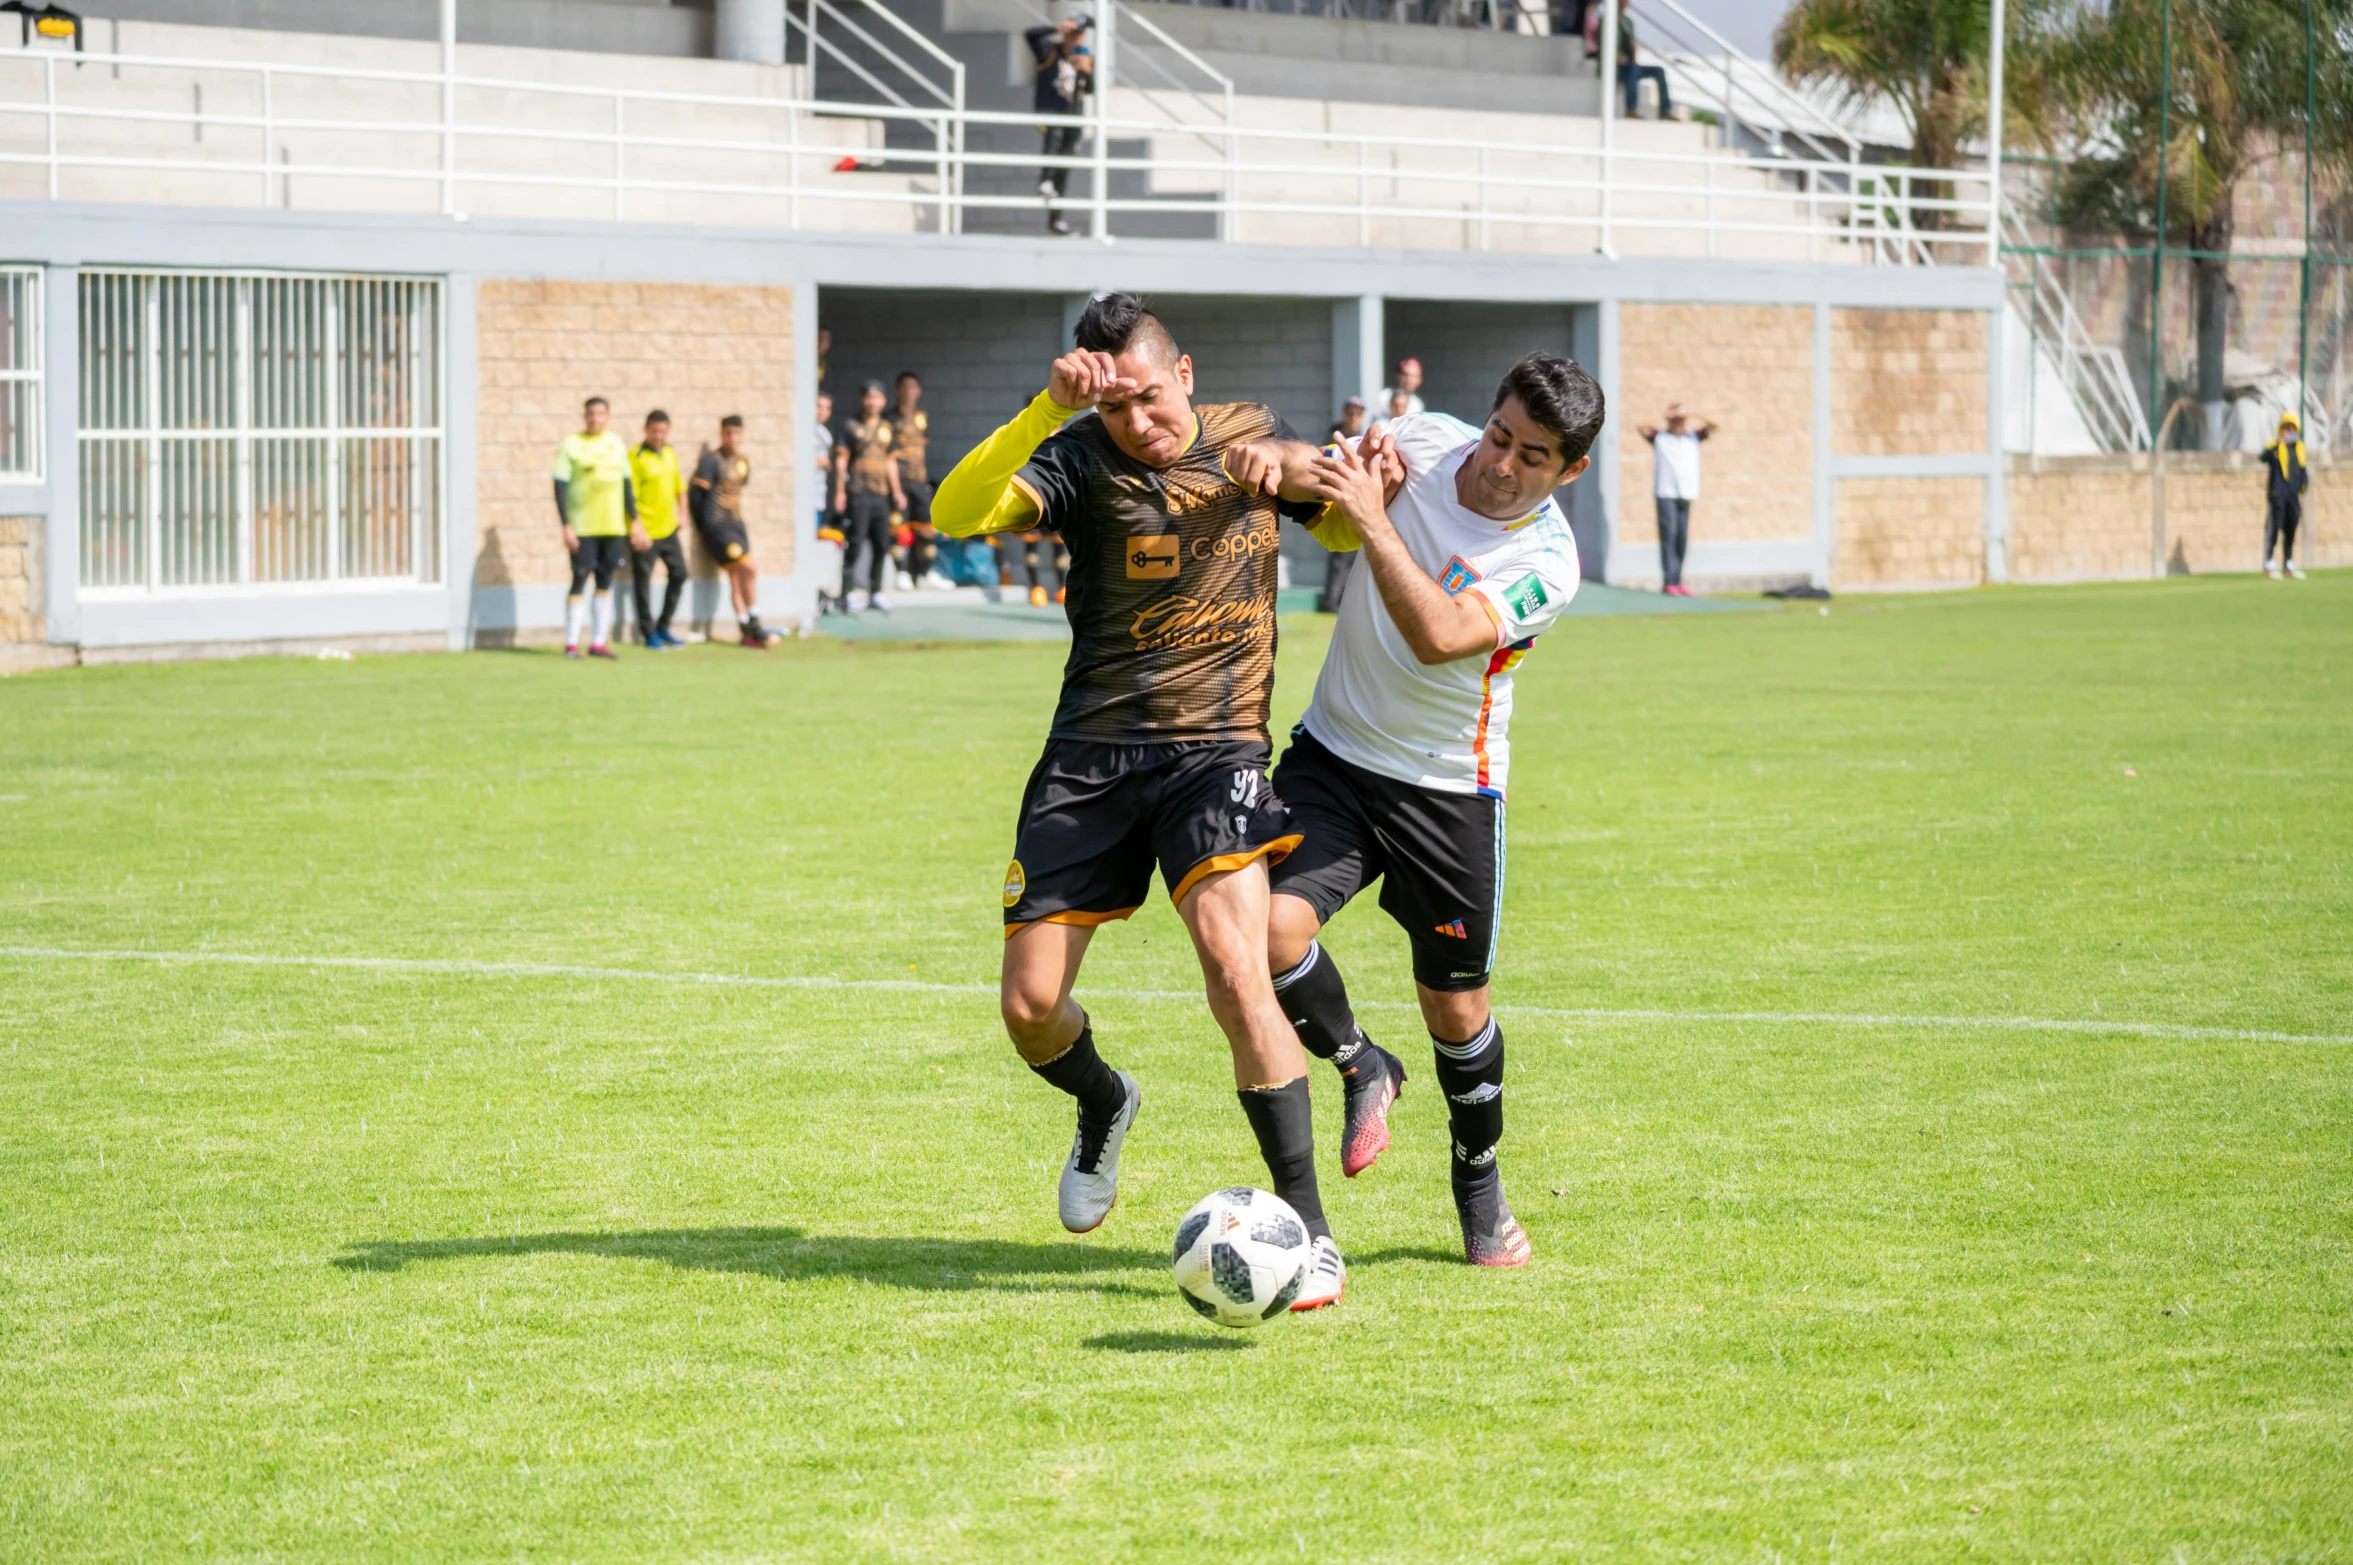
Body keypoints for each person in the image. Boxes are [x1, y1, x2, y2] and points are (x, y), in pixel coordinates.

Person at [931, 292, 1359, 1309]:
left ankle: (1311, 1234)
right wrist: (1046, 411)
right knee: (1031, 1006)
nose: (1139, 423)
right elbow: (955, 513)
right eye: (1117, 407)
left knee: (1232, 962)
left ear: (1187, 374)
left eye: (1151, 397)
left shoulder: (1253, 433)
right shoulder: (1077, 455)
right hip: (1090, 755)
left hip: (1214, 753)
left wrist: (1304, 480)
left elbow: (1345, 524)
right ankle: (1104, 1098)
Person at [1271, 352, 1603, 1269]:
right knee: (1262, 928)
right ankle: (1359, 1065)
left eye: (1532, 457)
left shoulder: (1546, 563)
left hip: (1448, 787)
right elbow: (1326, 494)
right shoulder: (1421, 440)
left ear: (1568, 471)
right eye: (1499, 435)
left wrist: (1372, 520)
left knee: (1454, 1010)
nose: (1500, 463)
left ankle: (1479, 1195)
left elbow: (1437, 638)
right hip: (1333, 756)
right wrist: (1320, 475)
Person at [552, 395, 637, 661]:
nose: (595, 418)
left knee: (605, 581)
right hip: (583, 527)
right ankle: (571, 643)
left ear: (607, 416)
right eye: (590, 413)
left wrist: (634, 521)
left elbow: (626, 485)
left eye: (600, 414)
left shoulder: (615, 444)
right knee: (579, 578)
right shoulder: (571, 445)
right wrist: (566, 524)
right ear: (584, 416)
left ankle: (598, 642)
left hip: (612, 526)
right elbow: (560, 486)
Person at [689, 415, 779, 647]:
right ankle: (756, 625)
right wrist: (701, 528)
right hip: (717, 526)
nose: (732, 438)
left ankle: (745, 630)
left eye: (737, 434)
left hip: (737, 524)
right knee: (749, 567)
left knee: (737, 577)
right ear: (722, 434)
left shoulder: (743, 462)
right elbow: (695, 496)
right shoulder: (711, 461)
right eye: (728, 433)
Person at [832, 380, 906, 613]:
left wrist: (897, 491)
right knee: (854, 543)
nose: (872, 402)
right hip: (858, 491)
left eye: (877, 397)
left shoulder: (887, 427)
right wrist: (839, 491)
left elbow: (891, 461)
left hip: (880, 495)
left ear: (883, 401)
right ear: (863, 400)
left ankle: (876, 592)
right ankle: (847, 593)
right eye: (868, 397)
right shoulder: (851, 425)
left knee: (881, 545)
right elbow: (842, 459)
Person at [1637, 402, 1714, 596]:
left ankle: (1678, 579)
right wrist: (1664, 413)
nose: (1678, 423)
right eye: (1675, 419)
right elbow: (1639, 425)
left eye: (1681, 419)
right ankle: (1669, 581)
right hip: (1666, 493)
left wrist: (1694, 412)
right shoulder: (1660, 437)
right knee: (1669, 535)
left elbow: (1715, 425)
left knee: (1681, 537)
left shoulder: (1692, 437)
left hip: (1686, 492)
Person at [628, 410, 689, 649]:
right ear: (645, 430)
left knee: (680, 574)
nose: (657, 435)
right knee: (642, 582)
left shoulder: (670, 453)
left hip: (668, 529)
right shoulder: (636, 455)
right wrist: (636, 527)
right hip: (646, 531)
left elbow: (679, 487)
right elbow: (629, 495)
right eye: (653, 430)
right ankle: (648, 632)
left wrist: (683, 513)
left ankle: (663, 626)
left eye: (662, 431)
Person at [1026, 17, 1092, 237]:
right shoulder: (1050, 51)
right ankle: (1044, 180)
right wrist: (1056, 27)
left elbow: (1090, 89)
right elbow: (1030, 35)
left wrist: (1086, 70)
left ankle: (1056, 221)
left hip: (1072, 119)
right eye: (1071, 34)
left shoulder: (1084, 56)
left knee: (1063, 170)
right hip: (1049, 113)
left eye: (1079, 35)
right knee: (1053, 135)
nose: (1075, 39)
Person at [891, 371, 945, 591]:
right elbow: (888, 455)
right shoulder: (890, 418)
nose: (909, 391)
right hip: (900, 482)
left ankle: (925, 573)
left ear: (918, 391)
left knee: (926, 528)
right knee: (900, 530)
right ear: (898, 390)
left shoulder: (922, 416)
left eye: (913, 387)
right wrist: (894, 488)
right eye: (904, 387)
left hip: (919, 480)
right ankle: (902, 572)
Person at [2263, 411, 2309, 579]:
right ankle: (2269, 562)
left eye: (2292, 428)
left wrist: (2303, 487)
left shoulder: (2299, 448)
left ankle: (2288, 563)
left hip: (2293, 495)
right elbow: (2263, 456)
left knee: (2291, 528)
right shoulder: (2275, 446)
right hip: (2277, 493)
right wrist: (2277, 443)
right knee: (2274, 527)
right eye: (2287, 428)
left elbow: (2302, 470)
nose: (2290, 431)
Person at [1616, 0, 1671, 118]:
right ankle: (1631, 109)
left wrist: (1634, 55)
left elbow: (1632, 45)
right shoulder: (1607, 21)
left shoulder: (1628, 22)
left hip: (1630, 65)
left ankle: (1665, 111)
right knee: (1632, 69)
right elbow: (1602, 46)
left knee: (1658, 71)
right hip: (1615, 67)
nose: (1625, 3)